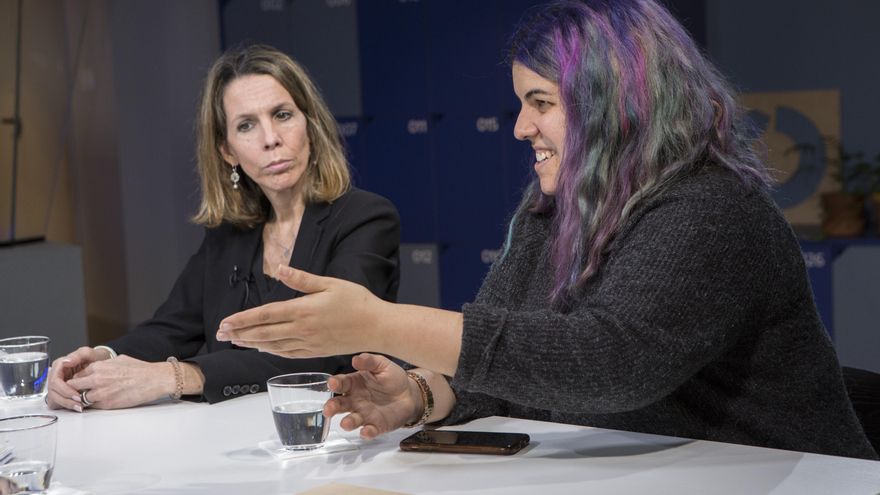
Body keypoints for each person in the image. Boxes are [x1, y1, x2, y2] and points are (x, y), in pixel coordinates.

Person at [216, 0, 878, 460]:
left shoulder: (711, 207)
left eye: (540, 103)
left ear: (614, 103)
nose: (520, 128)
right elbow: (510, 357)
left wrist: (380, 323)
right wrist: (420, 392)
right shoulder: (551, 205)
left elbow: (607, 363)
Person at [46, 44, 400, 411]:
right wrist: (99, 360)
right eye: (246, 125)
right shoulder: (230, 234)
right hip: (233, 438)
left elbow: (324, 351)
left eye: (282, 115)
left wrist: (175, 377)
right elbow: (172, 327)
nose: (270, 139)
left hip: (335, 429)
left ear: (309, 123)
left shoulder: (366, 218)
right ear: (227, 152)